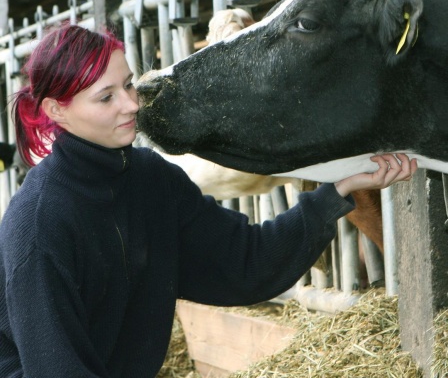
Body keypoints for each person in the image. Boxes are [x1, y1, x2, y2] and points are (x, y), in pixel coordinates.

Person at [0, 23, 417, 378]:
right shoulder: (39, 224)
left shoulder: (150, 179)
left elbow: (245, 262)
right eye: (106, 97)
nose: (131, 104)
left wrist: (336, 193)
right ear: (57, 110)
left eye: (128, 84)